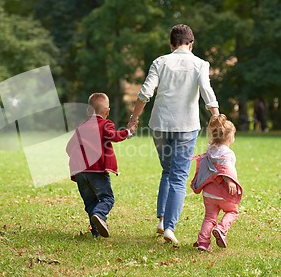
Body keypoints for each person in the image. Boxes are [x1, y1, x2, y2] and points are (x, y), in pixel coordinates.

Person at [128, 24, 219, 245]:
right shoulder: (200, 64)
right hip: (186, 126)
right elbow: (206, 91)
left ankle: (161, 219)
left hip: (159, 124)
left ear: (171, 44)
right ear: (191, 43)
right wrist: (216, 115)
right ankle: (169, 227)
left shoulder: (160, 62)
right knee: (179, 175)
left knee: (167, 170)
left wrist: (134, 119)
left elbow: (145, 93)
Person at [66, 93, 137, 238]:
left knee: (90, 201)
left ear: (88, 111)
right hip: (97, 170)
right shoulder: (105, 124)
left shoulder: (81, 127)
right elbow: (114, 136)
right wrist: (128, 132)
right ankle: (99, 215)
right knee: (107, 198)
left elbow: (69, 148)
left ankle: (96, 230)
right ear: (107, 111)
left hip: (80, 172)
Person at [190, 114, 243, 252]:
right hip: (223, 192)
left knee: (209, 217)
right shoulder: (228, 154)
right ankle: (221, 229)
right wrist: (230, 181)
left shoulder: (210, 149)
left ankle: (203, 242)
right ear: (230, 137)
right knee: (232, 211)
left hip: (209, 192)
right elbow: (226, 168)